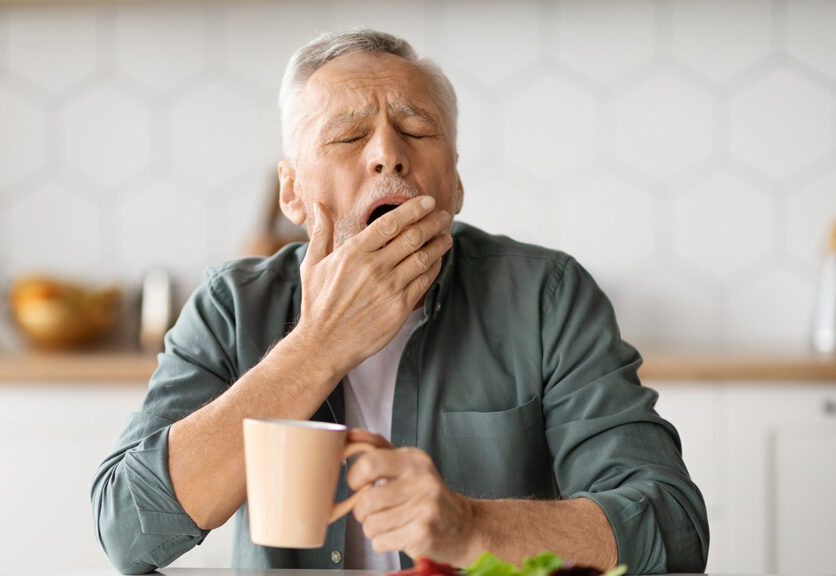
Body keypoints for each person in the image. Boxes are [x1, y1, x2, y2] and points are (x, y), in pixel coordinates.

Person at [91, 29, 709, 575]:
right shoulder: (231, 305)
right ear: (292, 192)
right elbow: (127, 530)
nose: (388, 152)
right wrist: (318, 346)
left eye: (416, 129)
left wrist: (473, 528)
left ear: (456, 182)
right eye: (349, 136)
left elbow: (672, 526)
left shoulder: (549, 297)